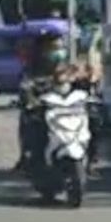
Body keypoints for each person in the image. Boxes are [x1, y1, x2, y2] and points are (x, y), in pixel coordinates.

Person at [15, 33, 71, 171]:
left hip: (67, 109)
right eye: (53, 48)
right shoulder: (33, 68)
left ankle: (91, 158)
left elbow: (79, 82)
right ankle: (26, 156)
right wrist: (30, 99)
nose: (58, 52)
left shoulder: (68, 67)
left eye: (60, 47)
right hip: (43, 109)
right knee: (28, 123)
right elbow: (25, 85)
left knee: (92, 120)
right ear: (43, 50)